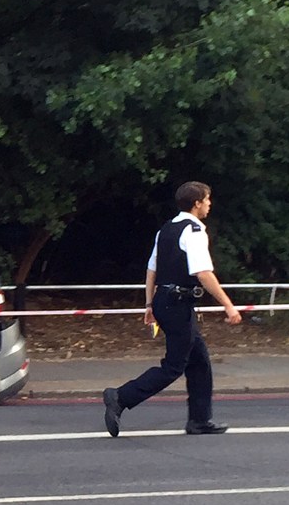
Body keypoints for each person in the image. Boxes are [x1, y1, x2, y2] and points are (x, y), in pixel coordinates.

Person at [103, 181, 242, 437]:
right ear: (197, 203)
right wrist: (228, 306)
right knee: (173, 367)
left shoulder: (166, 229)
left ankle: (200, 420)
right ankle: (120, 396)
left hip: (166, 301)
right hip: (177, 304)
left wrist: (149, 304)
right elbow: (203, 273)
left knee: (199, 362)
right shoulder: (194, 231)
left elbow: (152, 270)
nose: (210, 204)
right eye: (208, 200)